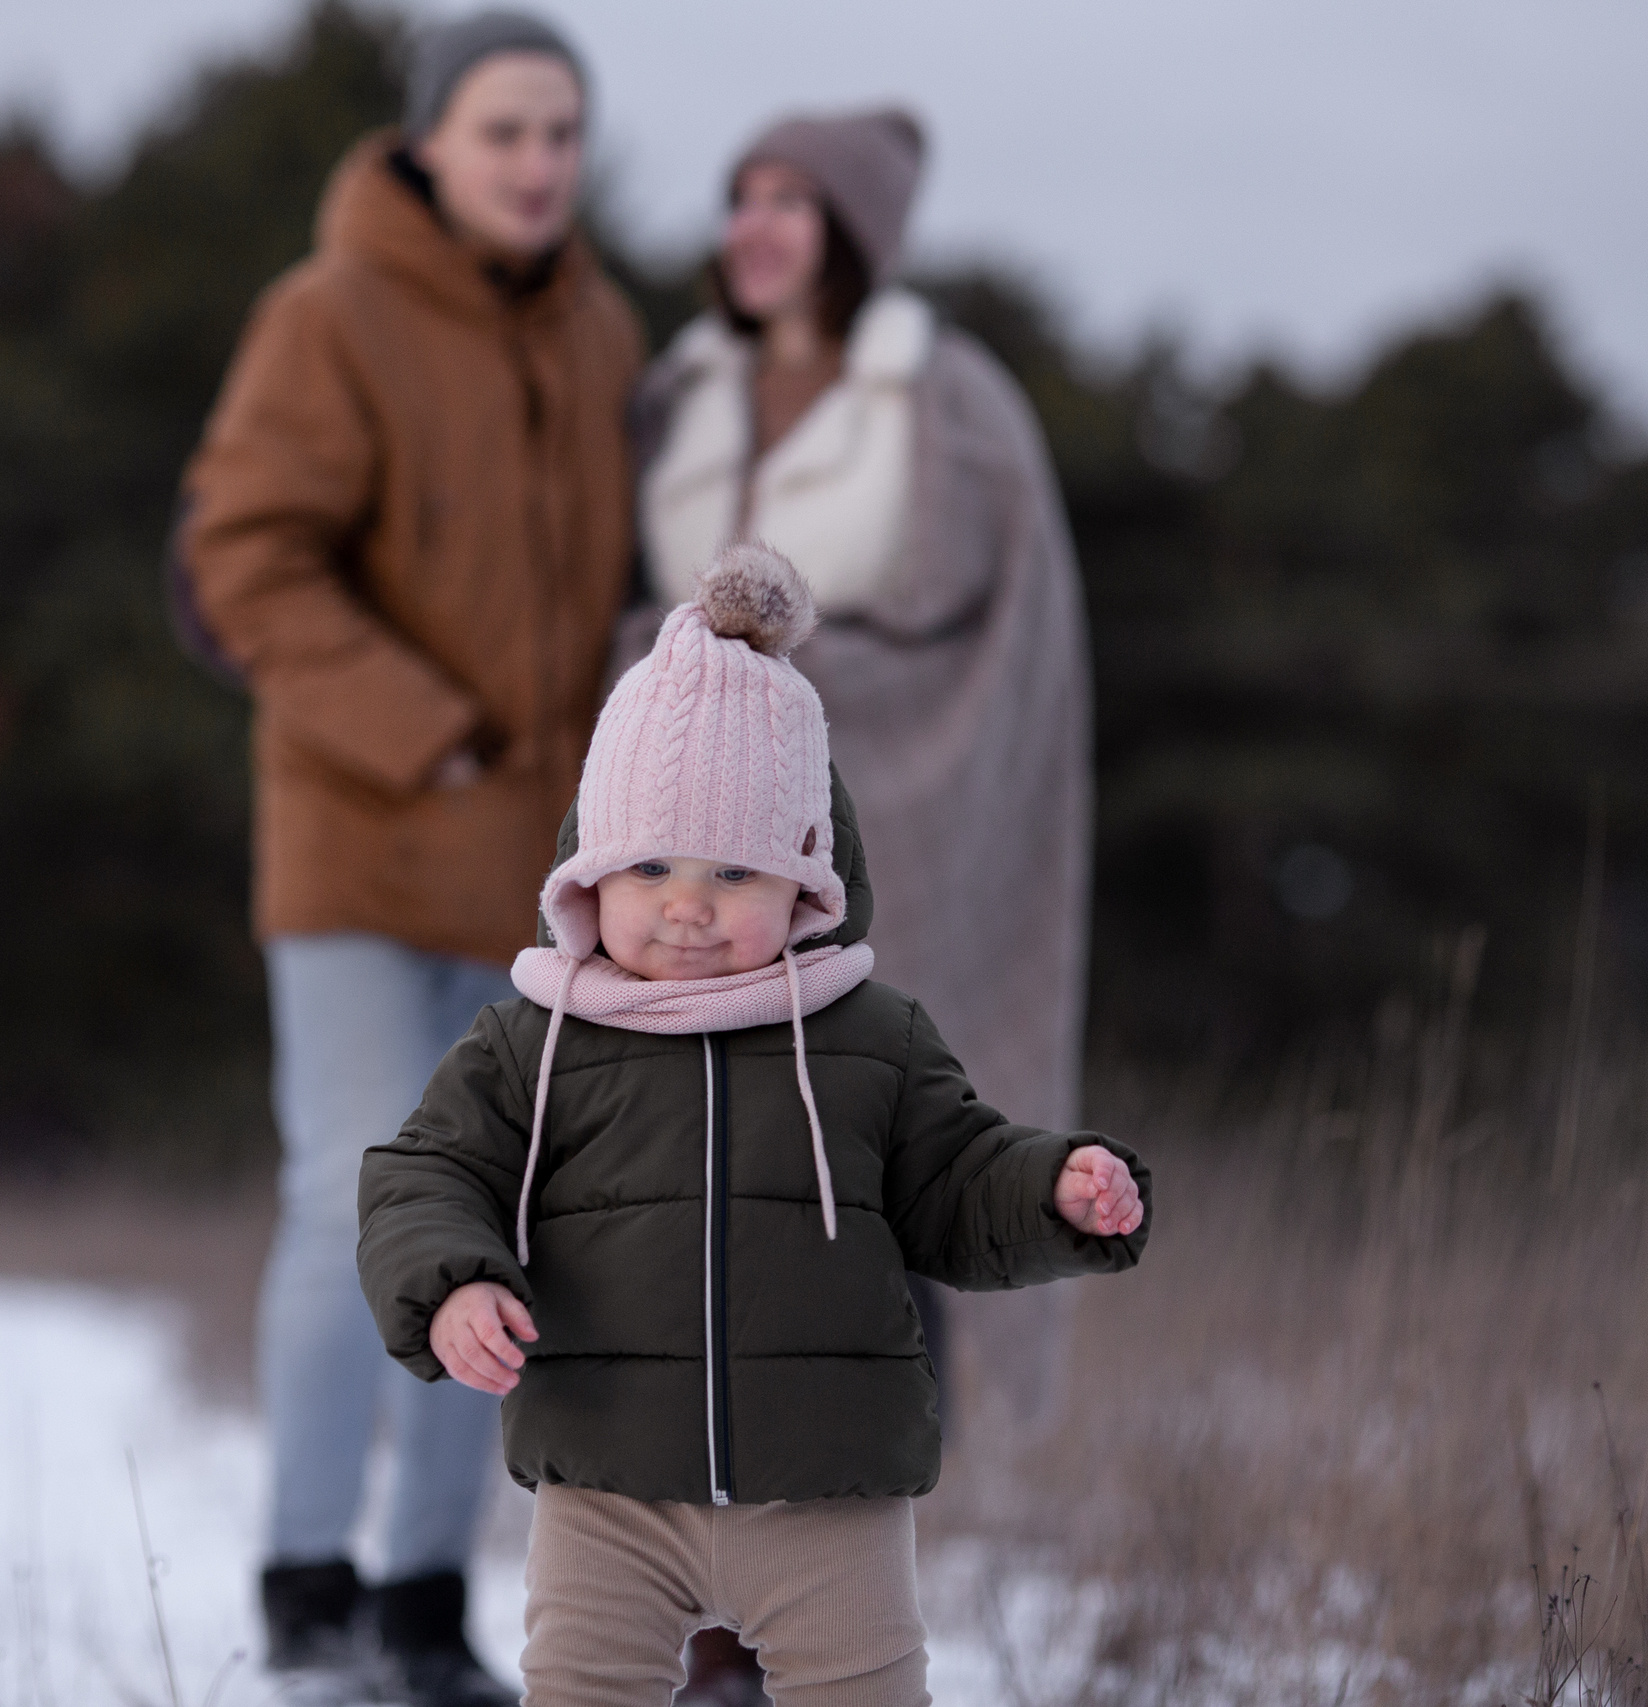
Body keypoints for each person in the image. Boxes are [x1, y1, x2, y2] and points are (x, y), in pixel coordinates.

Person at [358, 544, 1151, 1707]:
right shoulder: (538, 1040)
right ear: (588, 876)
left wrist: (1050, 1193)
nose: (688, 904)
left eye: (735, 869)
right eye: (651, 867)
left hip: (825, 1487)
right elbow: (422, 1175)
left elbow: (957, 1180)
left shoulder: (870, 1036)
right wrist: (454, 1284)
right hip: (607, 1484)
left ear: (807, 881)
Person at [176, 10, 642, 1703]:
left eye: (563, 134)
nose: (537, 163)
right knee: (361, 1188)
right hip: (361, 844)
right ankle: (306, 1596)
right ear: (434, 143)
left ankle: (422, 1607)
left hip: (537, 874)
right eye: (507, 129)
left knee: (501, 1222)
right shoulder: (329, 311)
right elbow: (244, 557)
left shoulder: (605, 339)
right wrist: (424, 726)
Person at [632, 109, 1097, 1699]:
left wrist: (782, 686)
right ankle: (700, 1626)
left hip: (899, 841)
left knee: (866, 1216)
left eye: (795, 200)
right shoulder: (679, 393)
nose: (758, 224)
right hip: (693, 885)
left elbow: (987, 627)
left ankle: (826, 1613)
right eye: (741, 194)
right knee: (696, 1221)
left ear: (859, 229)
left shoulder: (948, 400)